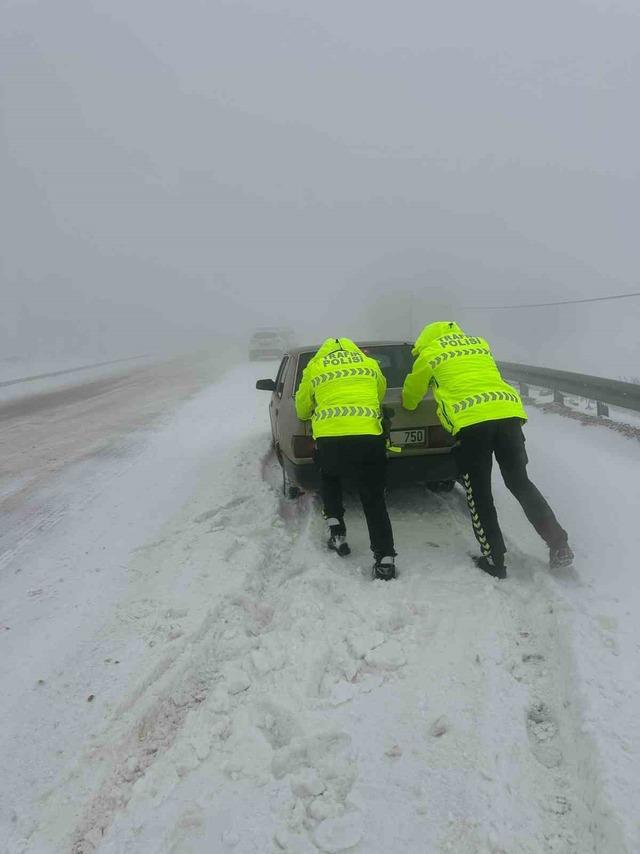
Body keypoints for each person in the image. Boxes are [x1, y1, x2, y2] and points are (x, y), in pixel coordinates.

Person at [402, 321, 574, 579]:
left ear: (426, 340)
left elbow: (411, 395)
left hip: (472, 426)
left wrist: (419, 396)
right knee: (520, 482)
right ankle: (559, 544)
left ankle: (495, 559)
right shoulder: (479, 345)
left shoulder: (429, 354)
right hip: (508, 417)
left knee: (479, 493)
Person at [295, 337, 397, 580]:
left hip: (330, 438)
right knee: (373, 496)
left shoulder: (316, 367)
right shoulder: (369, 364)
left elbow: (302, 408)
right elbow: (380, 392)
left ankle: (337, 533)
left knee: (330, 479)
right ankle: (385, 558)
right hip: (368, 435)